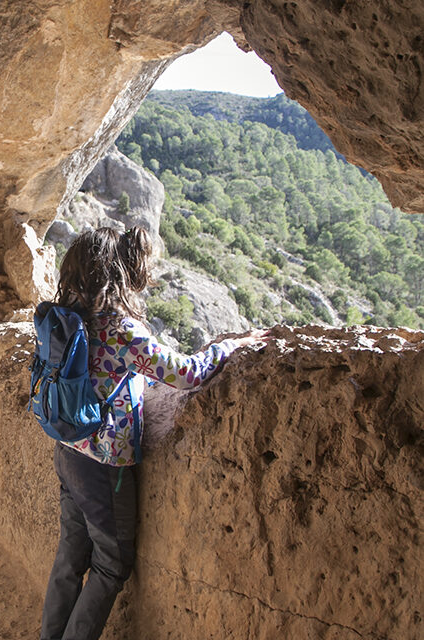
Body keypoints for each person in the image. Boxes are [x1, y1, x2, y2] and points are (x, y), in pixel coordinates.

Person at [40, 226, 268, 640]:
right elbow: (187, 374)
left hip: (66, 448)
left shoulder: (65, 317)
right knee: (110, 565)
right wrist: (232, 346)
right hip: (104, 464)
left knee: (71, 557)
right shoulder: (121, 329)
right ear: (117, 274)